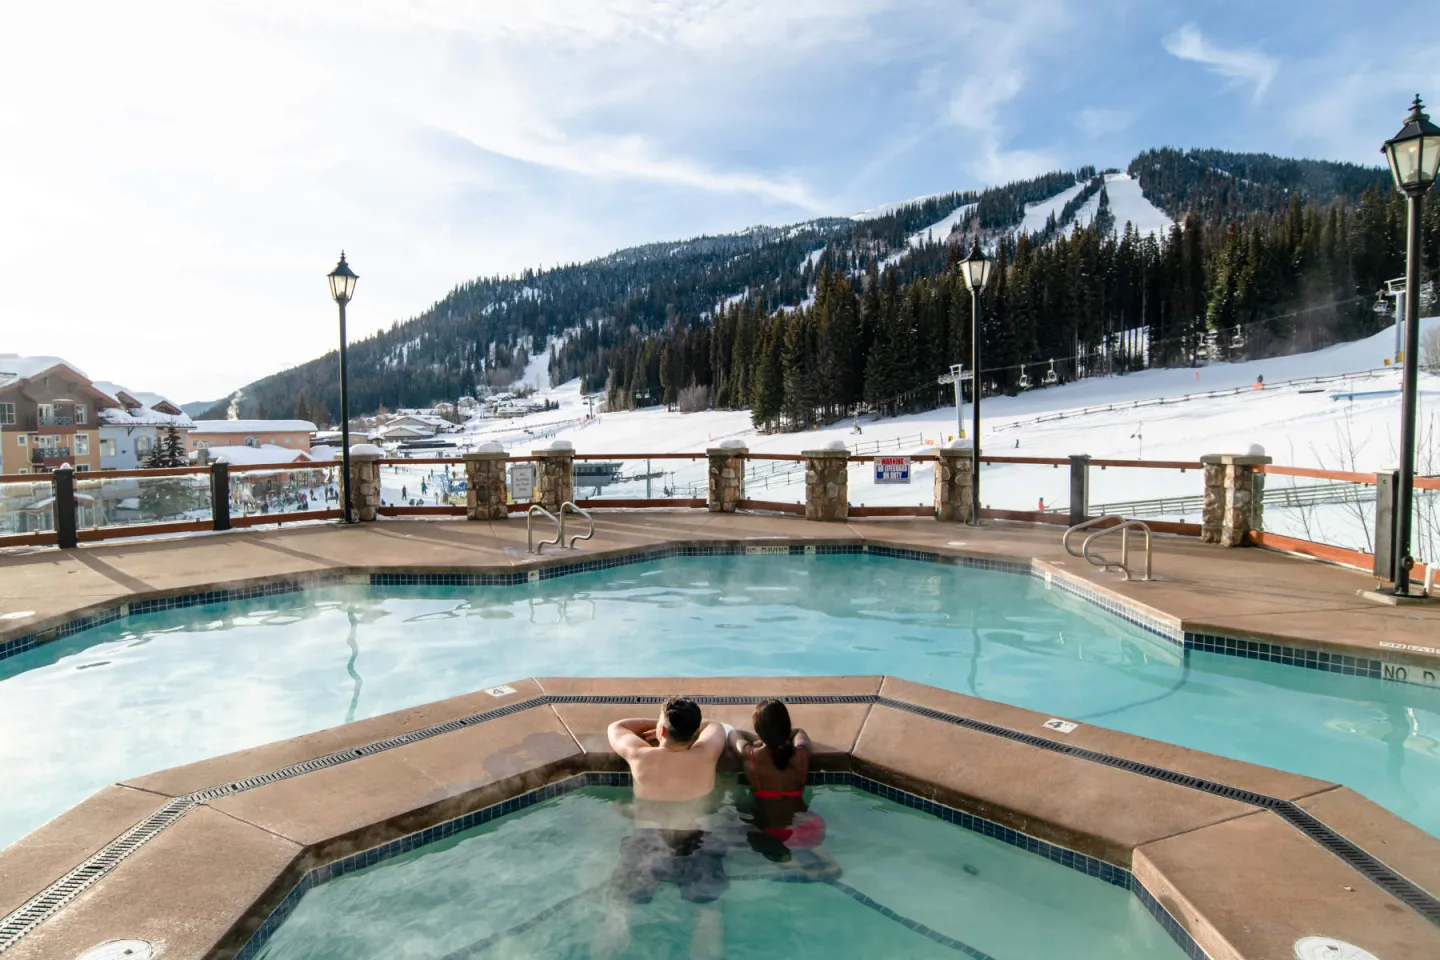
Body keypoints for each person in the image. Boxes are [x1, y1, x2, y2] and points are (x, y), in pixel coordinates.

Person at [602, 698, 728, 958]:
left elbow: (616, 726)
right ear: (693, 734)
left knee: (620, 909)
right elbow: (715, 726)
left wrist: (658, 724)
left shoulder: (639, 755)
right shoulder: (706, 753)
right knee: (707, 912)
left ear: (661, 731)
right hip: (697, 842)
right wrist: (686, 729)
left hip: (647, 842)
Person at [728, 700, 827, 861]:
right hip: (810, 827)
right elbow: (799, 732)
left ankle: (790, 863)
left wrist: (759, 740)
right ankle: (824, 860)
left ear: (759, 732)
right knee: (813, 851)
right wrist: (780, 738)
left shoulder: (751, 756)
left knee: (747, 827)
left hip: (774, 833)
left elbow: (734, 734)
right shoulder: (801, 755)